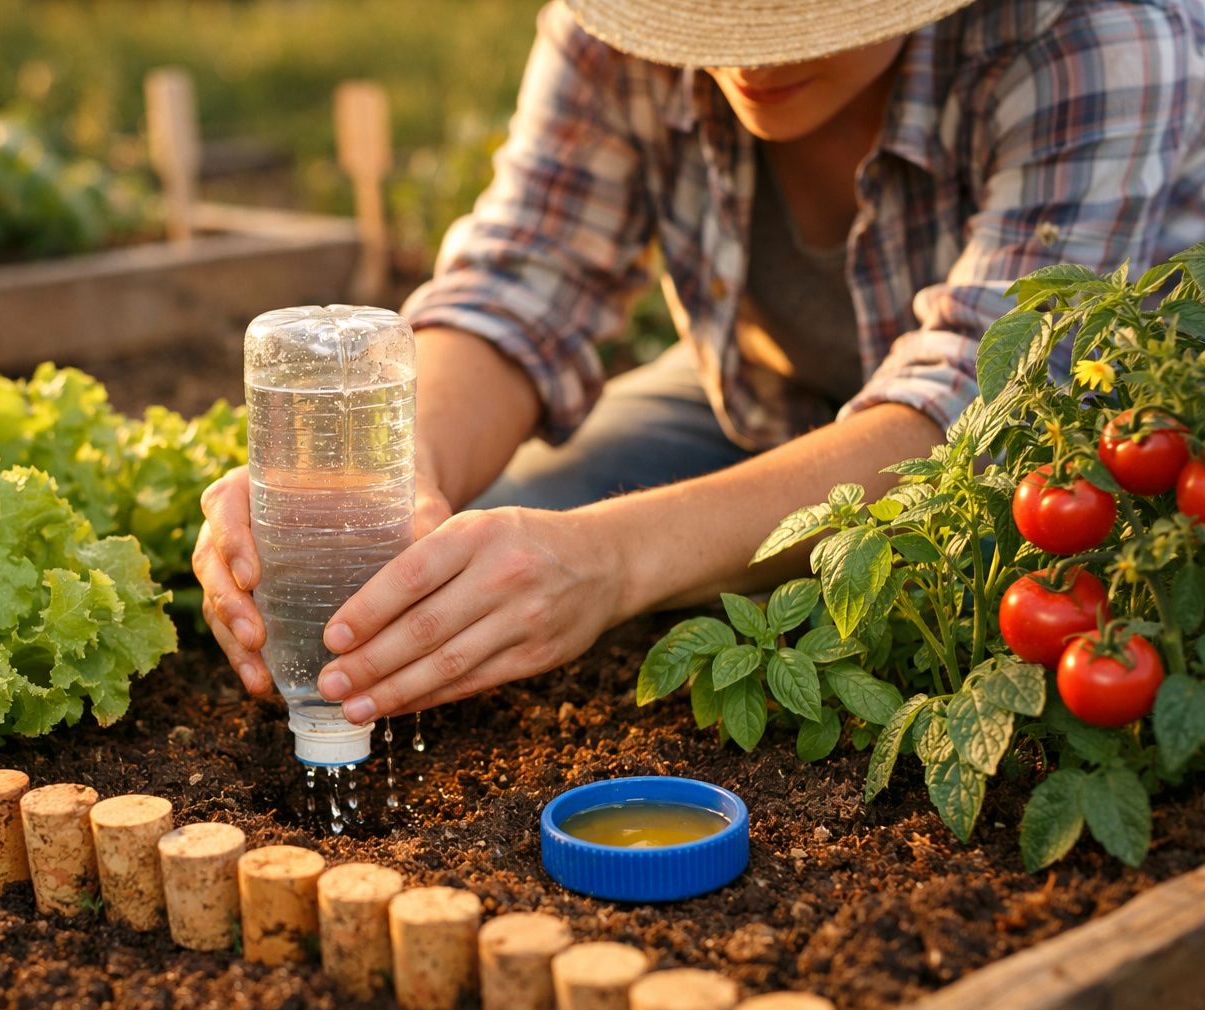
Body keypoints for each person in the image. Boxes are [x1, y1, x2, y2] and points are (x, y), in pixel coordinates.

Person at [195, 0, 1205, 724]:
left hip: (1047, 450)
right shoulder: (614, 29)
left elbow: (982, 410)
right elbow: (520, 279)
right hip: (760, 400)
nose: (746, 55)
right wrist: (395, 481)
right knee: (477, 538)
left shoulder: (1092, 34)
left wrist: (611, 560)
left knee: (565, 551)